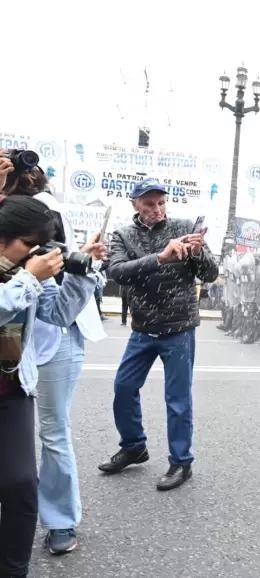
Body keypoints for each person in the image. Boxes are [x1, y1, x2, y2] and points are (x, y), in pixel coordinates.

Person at [0, 189, 101, 576]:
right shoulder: (27, 272)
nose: (35, 253)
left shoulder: (30, 267)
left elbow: (59, 313)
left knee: (22, 485)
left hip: (11, 390)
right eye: (28, 244)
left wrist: (81, 271)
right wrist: (27, 276)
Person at [99, 178, 218, 491]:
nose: (157, 209)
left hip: (178, 327)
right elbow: (116, 272)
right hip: (143, 327)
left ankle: (181, 462)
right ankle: (134, 446)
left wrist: (197, 252)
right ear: (135, 204)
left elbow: (211, 274)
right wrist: (161, 257)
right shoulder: (123, 234)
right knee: (123, 387)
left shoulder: (184, 226)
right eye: (149, 204)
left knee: (177, 399)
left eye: (161, 202)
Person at [27, 191, 107, 556]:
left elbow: (59, 310)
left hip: (54, 341)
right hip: (8, 340)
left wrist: (83, 266)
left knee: (54, 431)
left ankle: (60, 520)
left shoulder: (50, 211)